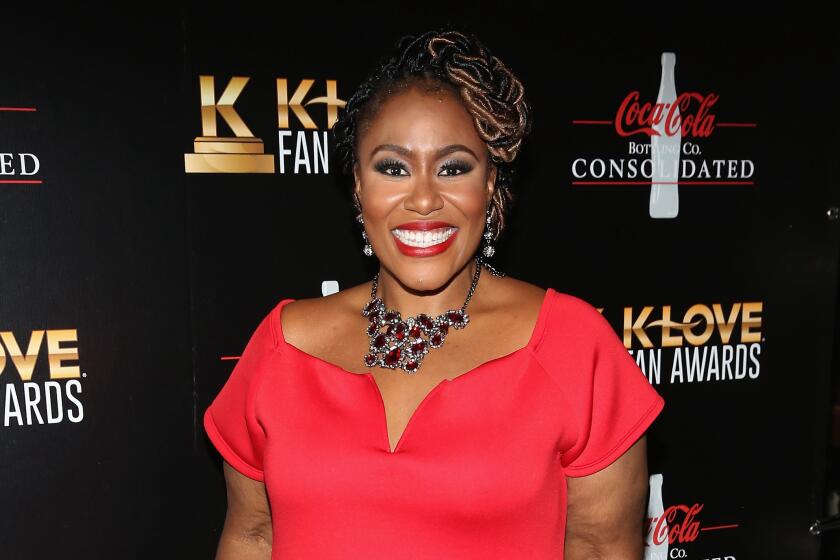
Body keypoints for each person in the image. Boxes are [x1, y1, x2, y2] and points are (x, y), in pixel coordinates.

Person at [204, 27, 665, 559]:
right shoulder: (283, 345)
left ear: (490, 183)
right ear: (357, 183)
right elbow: (252, 536)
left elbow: (600, 548)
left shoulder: (571, 346)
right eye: (393, 167)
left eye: (453, 167)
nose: (424, 199)